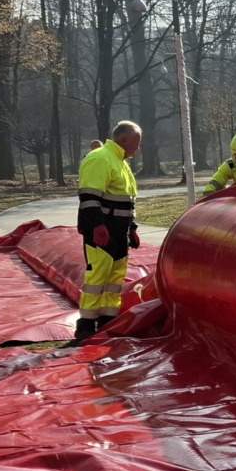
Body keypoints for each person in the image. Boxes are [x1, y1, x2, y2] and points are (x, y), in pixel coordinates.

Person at [75, 120, 141, 340]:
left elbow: (128, 201)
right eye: (136, 142)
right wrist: (98, 226)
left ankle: (108, 320)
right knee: (97, 276)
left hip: (119, 230)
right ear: (123, 140)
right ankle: (86, 324)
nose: (137, 147)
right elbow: (89, 197)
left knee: (115, 278)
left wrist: (132, 228)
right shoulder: (101, 158)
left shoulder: (121, 163)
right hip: (103, 230)